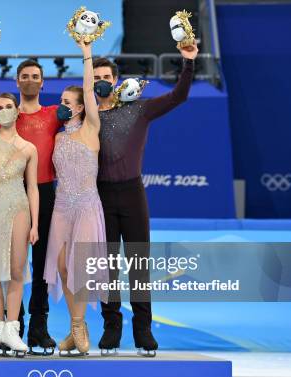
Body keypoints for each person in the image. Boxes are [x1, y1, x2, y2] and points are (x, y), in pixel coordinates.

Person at [92, 40, 199, 356]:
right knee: (106, 267)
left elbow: (178, 96)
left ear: (115, 80)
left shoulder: (138, 109)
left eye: (106, 77)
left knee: (138, 264)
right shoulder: (85, 118)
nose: (101, 81)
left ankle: (143, 331)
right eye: (95, 76)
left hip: (132, 193)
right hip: (100, 197)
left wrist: (188, 61)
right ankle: (111, 328)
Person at [0, 59, 62, 355]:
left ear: (43, 83)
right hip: (12, 194)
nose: (31, 80)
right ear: (17, 82)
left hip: (45, 194)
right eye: (25, 76)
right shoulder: (5, 119)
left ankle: (39, 326)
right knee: (13, 264)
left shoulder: (55, 116)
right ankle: (12, 325)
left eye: (36, 76)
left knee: (43, 263)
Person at [43, 39, 108, 356]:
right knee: (63, 268)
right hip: (61, 208)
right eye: (61, 99)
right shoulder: (56, 136)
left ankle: (79, 327)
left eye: (69, 100)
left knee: (80, 268)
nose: (63, 104)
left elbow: (88, 87)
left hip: (85, 207)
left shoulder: (90, 129)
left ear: (82, 106)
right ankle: (74, 326)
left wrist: (86, 54)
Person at [0, 48, 39, 357]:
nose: (1, 110)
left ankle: (13, 327)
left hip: (19, 205)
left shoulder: (28, 148)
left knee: (16, 267)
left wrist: (36, 223)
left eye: (7, 106)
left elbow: (33, 187)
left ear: (16, 110)